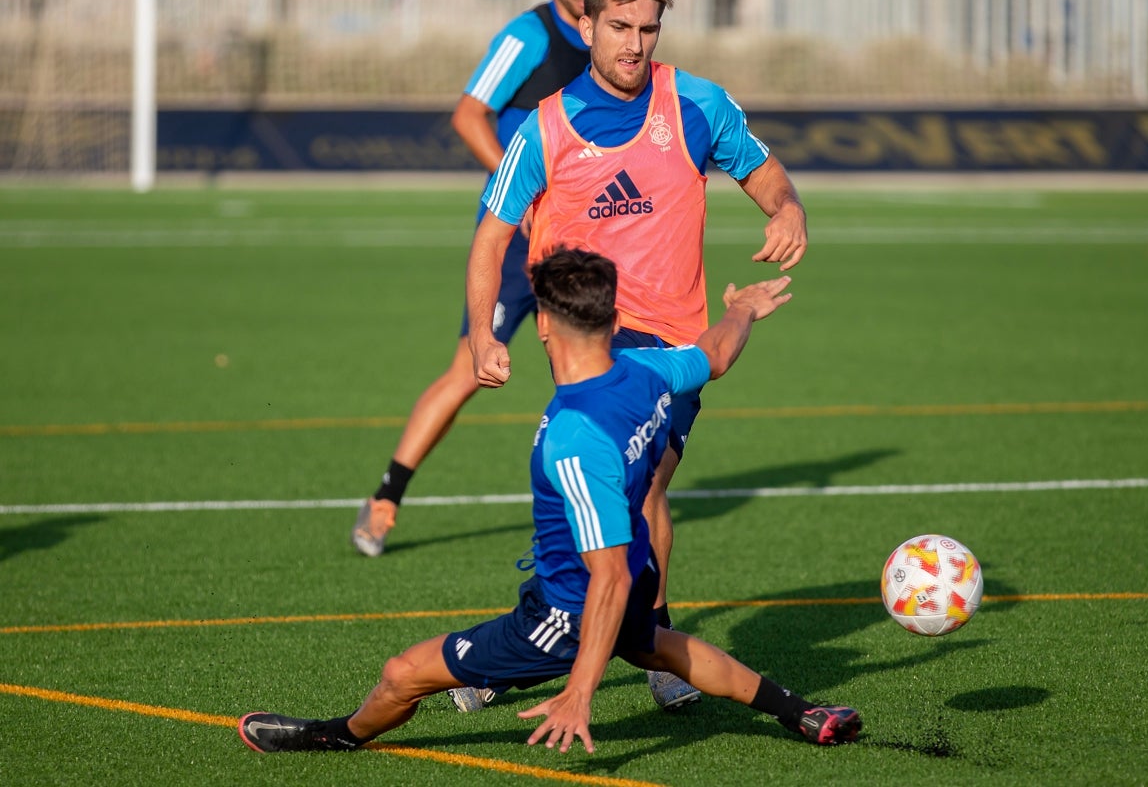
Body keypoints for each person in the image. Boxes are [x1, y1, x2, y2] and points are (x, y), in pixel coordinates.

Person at [238, 247, 861, 757]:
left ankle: (334, 736)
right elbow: (716, 353)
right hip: (639, 570)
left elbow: (607, 578)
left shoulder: (573, 437)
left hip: (566, 610)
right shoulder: (645, 369)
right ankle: (801, 712)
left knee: (404, 673)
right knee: (662, 647)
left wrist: (581, 691)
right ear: (615, 321)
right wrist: (745, 308)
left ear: (541, 325)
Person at [465, 0, 808, 711]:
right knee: (604, 497)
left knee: (640, 488)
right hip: (585, 337)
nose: (635, 44)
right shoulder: (544, 129)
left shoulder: (695, 103)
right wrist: (485, 335)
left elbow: (763, 171)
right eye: (619, 27)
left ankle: (622, 639)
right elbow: (491, 239)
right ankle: (601, 642)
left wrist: (786, 210)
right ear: (585, 25)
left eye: (647, 29)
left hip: (671, 342)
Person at [351, 0, 609, 558]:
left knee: (600, 371)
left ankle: (600, 509)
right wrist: (522, 195)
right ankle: (386, 497)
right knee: (470, 369)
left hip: (586, 239)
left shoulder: (614, 42)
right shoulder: (529, 35)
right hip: (517, 240)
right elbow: (469, 116)